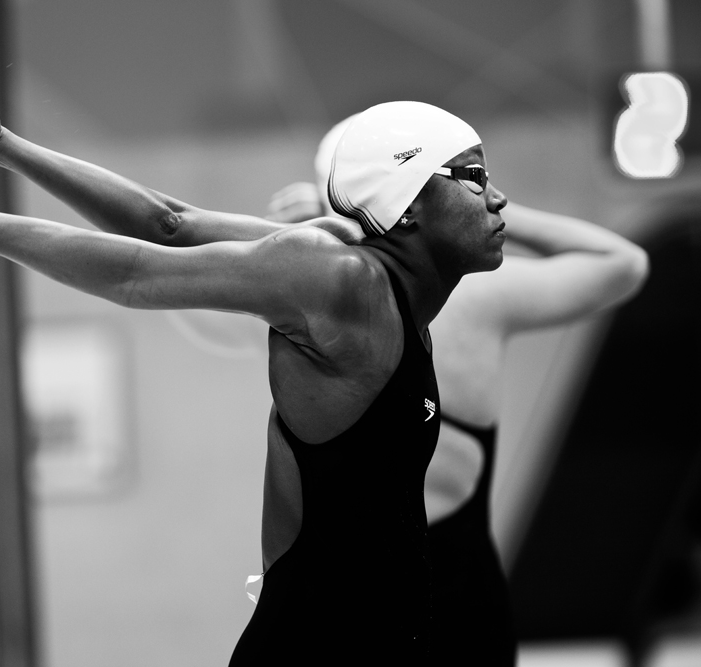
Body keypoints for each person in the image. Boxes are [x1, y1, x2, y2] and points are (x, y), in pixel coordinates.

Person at [0, 28, 509, 664]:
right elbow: (138, 272)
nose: (499, 197)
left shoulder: (373, 283)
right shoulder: (340, 280)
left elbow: (169, 224)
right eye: (473, 175)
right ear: (409, 200)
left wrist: (2, 144)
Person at [265, 117, 650, 665]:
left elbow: (191, 294)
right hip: (461, 607)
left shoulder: (306, 299)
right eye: (469, 177)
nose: (490, 195)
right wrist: (481, 210)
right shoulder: (478, 297)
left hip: (356, 615)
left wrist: (285, 241)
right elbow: (623, 264)